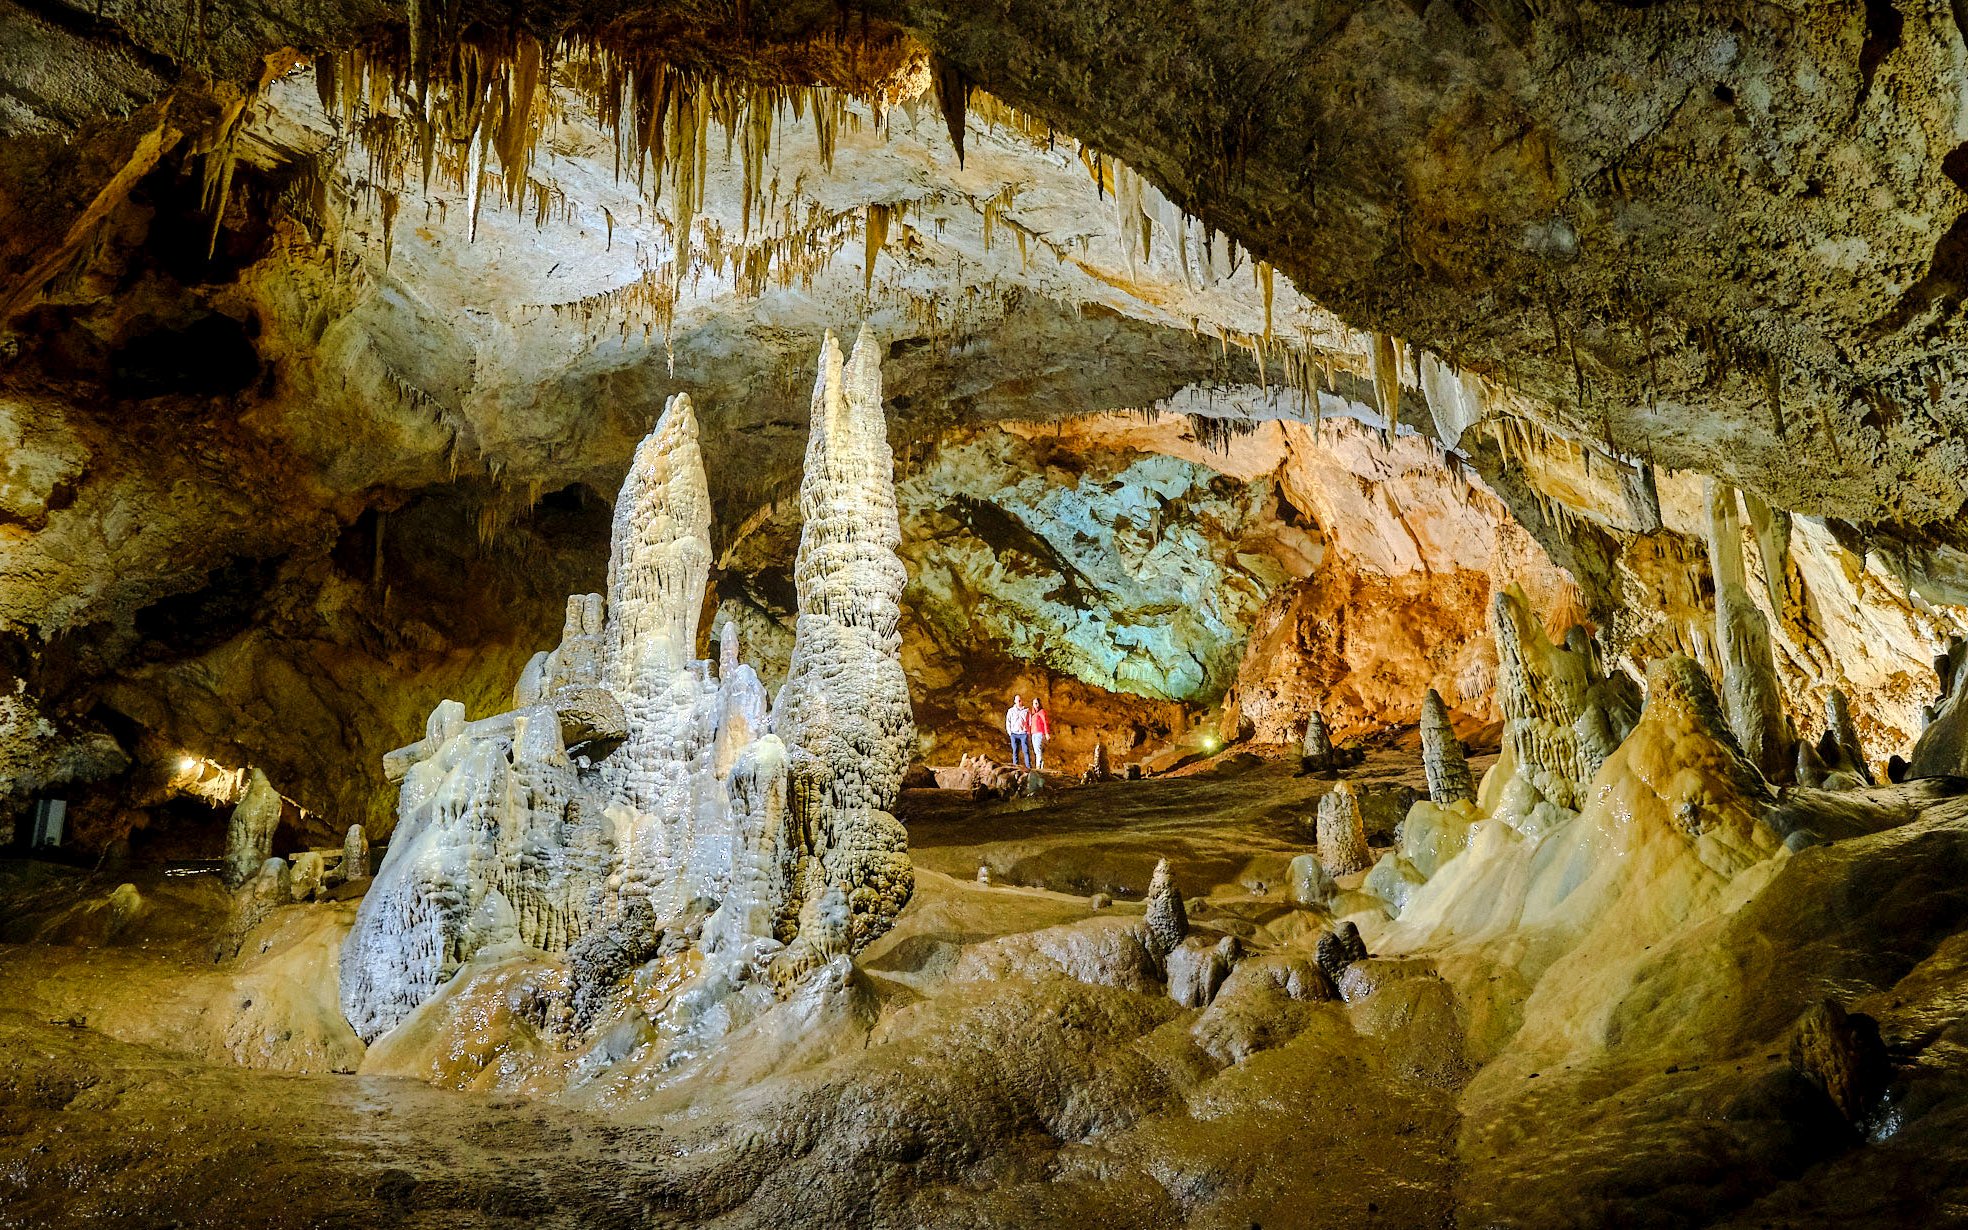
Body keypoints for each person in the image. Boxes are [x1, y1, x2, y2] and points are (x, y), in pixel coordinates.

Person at [1005, 695, 1031, 768]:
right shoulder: (1011, 711)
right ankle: (1015, 767)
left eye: (1020, 700)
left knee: (1025, 750)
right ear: (1015, 701)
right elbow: (1008, 721)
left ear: (1022, 701)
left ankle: (1028, 767)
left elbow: (1029, 721)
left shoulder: (1026, 710)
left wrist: (1028, 731)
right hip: (1014, 734)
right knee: (1015, 750)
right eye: (1017, 700)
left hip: (1023, 733)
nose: (1019, 702)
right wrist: (1010, 732)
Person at [1029, 701, 1050, 771]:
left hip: (1039, 733)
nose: (1035, 705)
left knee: (1038, 749)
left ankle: (1038, 766)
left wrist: (1047, 733)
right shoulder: (1033, 714)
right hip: (1034, 733)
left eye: (1036, 703)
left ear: (1039, 704)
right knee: (1036, 750)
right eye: (1034, 703)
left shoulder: (1041, 712)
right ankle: (1041, 765)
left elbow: (1045, 722)